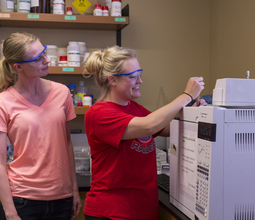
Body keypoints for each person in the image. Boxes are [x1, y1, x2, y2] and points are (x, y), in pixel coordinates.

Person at [83, 46, 206, 220]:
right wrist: (186, 96)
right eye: (133, 77)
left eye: (139, 74)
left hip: (142, 209)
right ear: (112, 80)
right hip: (113, 212)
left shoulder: (135, 109)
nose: (140, 81)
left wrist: (192, 111)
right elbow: (150, 125)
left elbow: (167, 128)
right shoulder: (99, 113)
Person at [0, 32, 82, 220]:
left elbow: (67, 144)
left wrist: (74, 190)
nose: (46, 60)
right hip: (22, 200)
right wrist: (10, 211)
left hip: (62, 199)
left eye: (44, 53)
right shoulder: (2, 102)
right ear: (18, 67)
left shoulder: (62, 93)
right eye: (38, 59)